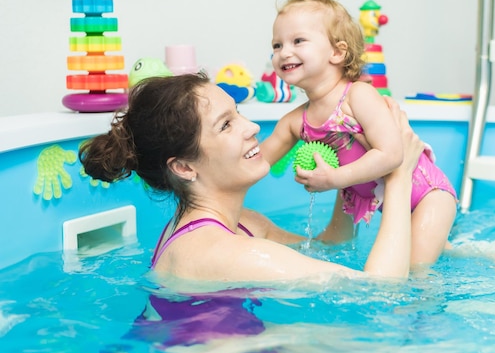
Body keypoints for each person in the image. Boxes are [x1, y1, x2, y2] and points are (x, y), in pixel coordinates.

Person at [79, 72, 423, 283]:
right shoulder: (227, 253)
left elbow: (330, 247)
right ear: (184, 167)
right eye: (226, 124)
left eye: (238, 113)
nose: (253, 128)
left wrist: (347, 171)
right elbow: (381, 292)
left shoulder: (245, 224)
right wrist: (398, 173)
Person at [260, 0, 458, 266]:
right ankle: (447, 246)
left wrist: (334, 178)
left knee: (415, 269)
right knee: (417, 246)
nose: (283, 52)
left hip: (429, 196)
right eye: (277, 45)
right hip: (390, 203)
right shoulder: (295, 122)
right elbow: (256, 162)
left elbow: (392, 154)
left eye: (298, 41)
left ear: (338, 52)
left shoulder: (358, 97)